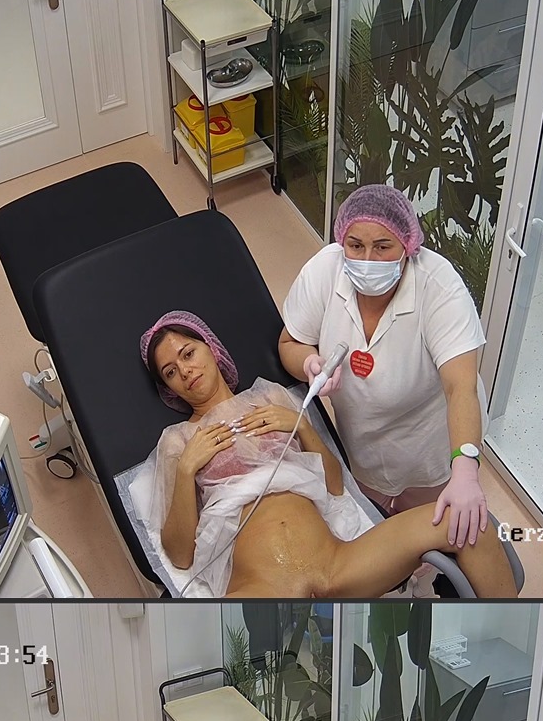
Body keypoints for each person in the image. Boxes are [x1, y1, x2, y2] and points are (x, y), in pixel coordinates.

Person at [277, 184, 512, 597]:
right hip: (362, 446)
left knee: (435, 528)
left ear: (408, 245)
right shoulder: (325, 271)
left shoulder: (439, 287)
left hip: (430, 448)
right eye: (356, 245)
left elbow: (460, 388)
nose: (367, 260)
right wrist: (309, 363)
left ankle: (425, 576)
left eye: (383, 247)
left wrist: (465, 470)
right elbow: (289, 342)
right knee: (377, 526)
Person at [143, 313, 472, 598]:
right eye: (170, 372)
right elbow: (181, 556)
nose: (184, 371)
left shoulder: (271, 396)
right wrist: (186, 469)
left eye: (188, 354)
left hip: (338, 565)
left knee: (469, 524)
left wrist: (301, 427)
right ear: (169, 389)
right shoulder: (179, 441)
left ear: (212, 349)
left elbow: (335, 487)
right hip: (262, 586)